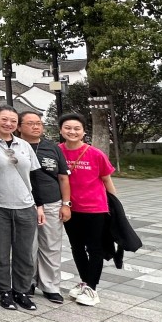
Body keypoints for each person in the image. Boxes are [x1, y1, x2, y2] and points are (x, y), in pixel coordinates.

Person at [0, 106, 42, 312]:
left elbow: (35, 177)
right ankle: (4, 291)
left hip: (26, 206)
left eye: (12, 121)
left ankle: (22, 291)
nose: (8, 124)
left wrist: (39, 205)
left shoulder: (24, 145)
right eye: (4, 119)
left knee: (25, 253)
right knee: (0, 253)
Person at [58, 112, 117, 307]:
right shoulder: (57, 151)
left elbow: (107, 180)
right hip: (69, 208)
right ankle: (85, 282)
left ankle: (92, 287)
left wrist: (116, 207)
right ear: (61, 130)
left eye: (77, 128)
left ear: (84, 132)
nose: (72, 131)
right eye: (68, 128)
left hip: (95, 208)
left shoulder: (95, 154)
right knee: (77, 247)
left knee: (94, 248)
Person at [17, 110, 70, 304]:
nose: (36, 126)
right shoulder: (15, 146)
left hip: (52, 203)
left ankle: (50, 286)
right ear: (19, 127)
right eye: (30, 123)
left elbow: (63, 177)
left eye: (39, 123)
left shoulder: (52, 148)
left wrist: (66, 204)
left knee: (51, 246)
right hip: (23, 203)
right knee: (26, 247)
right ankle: (27, 282)